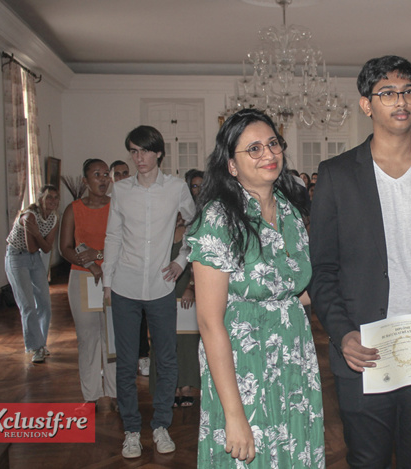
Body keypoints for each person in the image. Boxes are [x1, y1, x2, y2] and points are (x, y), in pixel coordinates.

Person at [310, 55, 411, 468]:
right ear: (367, 104)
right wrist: (342, 333)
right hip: (364, 347)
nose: (400, 101)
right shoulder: (336, 175)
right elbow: (322, 268)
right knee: (367, 460)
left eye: (408, 92)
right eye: (387, 93)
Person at [187, 109, 323, 467]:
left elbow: (295, 291)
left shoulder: (290, 212)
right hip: (243, 364)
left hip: (294, 356)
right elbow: (209, 322)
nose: (269, 154)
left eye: (273, 144)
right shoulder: (218, 219)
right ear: (231, 165)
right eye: (254, 148)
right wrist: (234, 414)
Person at [103, 125, 196, 458]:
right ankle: (131, 430)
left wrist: (182, 261)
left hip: (160, 286)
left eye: (144, 151)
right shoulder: (121, 190)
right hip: (126, 286)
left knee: (166, 359)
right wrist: (108, 282)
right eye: (133, 151)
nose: (138, 158)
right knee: (127, 363)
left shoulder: (176, 188)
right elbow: (112, 237)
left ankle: (160, 425)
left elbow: (195, 227)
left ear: (158, 152)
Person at [59, 158, 118, 409]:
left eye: (106, 174)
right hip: (82, 278)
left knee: (112, 338)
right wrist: (89, 264)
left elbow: (124, 243)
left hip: (113, 277)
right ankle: (91, 395)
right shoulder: (73, 209)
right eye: (97, 174)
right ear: (85, 181)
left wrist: (99, 256)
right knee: (87, 337)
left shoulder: (117, 207)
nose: (103, 179)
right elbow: (65, 248)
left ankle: (115, 394)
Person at [149, 169, 204, 408]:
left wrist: (191, 287)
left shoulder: (195, 227)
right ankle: (168, 385)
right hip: (160, 287)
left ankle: (187, 385)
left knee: (188, 340)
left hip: (187, 287)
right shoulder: (157, 230)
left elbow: (199, 260)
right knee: (164, 339)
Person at [5, 184, 60, 364]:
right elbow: (31, 247)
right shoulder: (29, 216)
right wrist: (38, 235)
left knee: (44, 303)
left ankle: (42, 344)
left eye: (55, 197)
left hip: (35, 259)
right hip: (17, 257)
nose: (53, 201)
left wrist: (37, 234)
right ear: (40, 199)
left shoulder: (53, 218)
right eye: (49, 197)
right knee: (27, 304)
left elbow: (46, 248)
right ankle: (36, 347)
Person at [110, 159, 152, 376]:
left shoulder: (137, 197)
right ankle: (118, 364)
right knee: (119, 326)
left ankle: (144, 356)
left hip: (139, 267)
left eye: (125, 173)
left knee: (142, 318)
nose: (122, 177)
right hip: (117, 270)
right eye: (117, 174)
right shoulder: (113, 200)